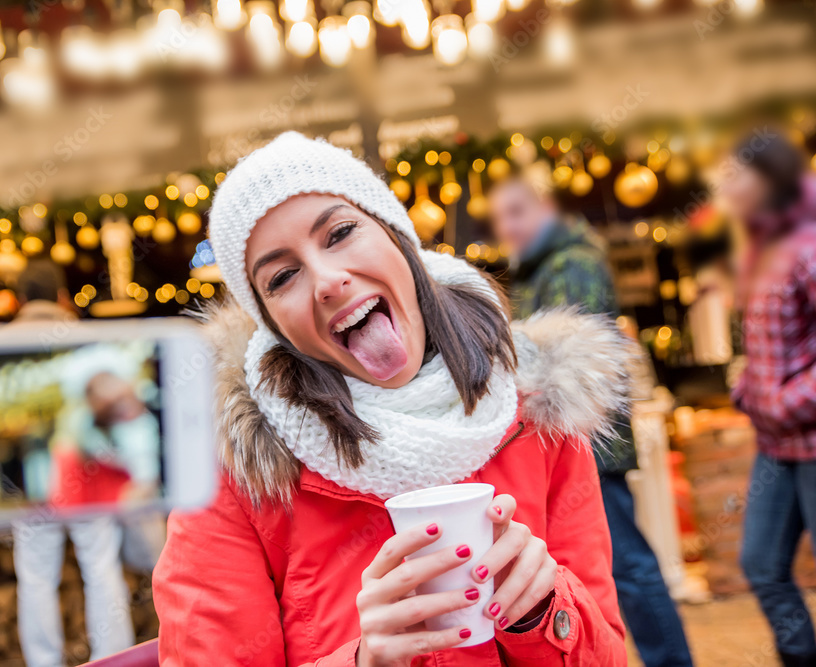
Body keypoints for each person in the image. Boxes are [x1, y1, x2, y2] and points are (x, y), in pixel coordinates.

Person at [152, 132, 631, 665]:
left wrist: (543, 614)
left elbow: (605, 652)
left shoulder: (540, 411)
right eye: (284, 275)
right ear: (273, 323)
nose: (328, 280)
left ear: (397, 236)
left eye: (339, 232)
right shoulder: (234, 473)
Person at [489, 176, 694, 667]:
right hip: (576, 438)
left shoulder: (571, 264)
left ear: (544, 208)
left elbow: (562, 360)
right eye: (501, 218)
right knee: (622, 567)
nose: (508, 227)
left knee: (631, 568)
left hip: (586, 443)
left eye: (517, 212)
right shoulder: (545, 266)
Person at [6, 261, 138, 666]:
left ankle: (44, 661)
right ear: (62, 297)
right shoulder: (90, 341)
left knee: (35, 576)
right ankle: (110, 657)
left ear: (21, 300)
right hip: (82, 467)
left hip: (27, 475)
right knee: (100, 564)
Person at [722, 130, 816, 667]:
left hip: (809, 438)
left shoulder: (808, 244)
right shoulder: (763, 247)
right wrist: (749, 387)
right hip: (774, 446)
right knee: (761, 565)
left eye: (737, 175)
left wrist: (780, 402)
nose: (727, 188)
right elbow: (769, 348)